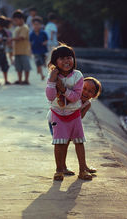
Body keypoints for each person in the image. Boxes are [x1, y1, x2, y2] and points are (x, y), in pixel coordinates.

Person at [45, 44, 95, 181]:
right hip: (57, 114)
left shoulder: (78, 76)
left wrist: (62, 88)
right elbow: (50, 97)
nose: (66, 61)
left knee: (79, 142)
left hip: (74, 114)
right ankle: (59, 170)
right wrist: (52, 81)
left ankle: (82, 170)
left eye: (69, 58)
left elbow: (75, 97)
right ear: (55, 62)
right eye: (62, 59)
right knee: (59, 143)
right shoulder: (52, 76)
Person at [11, 10, 31, 85]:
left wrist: (11, 39)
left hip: (24, 50)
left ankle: (26, 79)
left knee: (26, 66)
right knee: (18, 67)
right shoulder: (17, 28)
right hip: (16, 51)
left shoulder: (25, 27)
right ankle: (19, 80)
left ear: (21, 19)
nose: (15, 22)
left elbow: (21, 37)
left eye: (16, 20)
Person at [29, 16, 48, 80]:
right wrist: (30, 50)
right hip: (35, 50)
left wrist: (45, 42)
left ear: (40, 25)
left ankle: (41, 66)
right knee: (38, 62)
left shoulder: (43, 33)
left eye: (38, 24)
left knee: (43, 61)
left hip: (43, 50)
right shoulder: (31, 34)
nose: (36, 26)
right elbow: (30, 42)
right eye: (34, 25)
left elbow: (46, 40)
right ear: (32, 25)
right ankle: (42, 75)